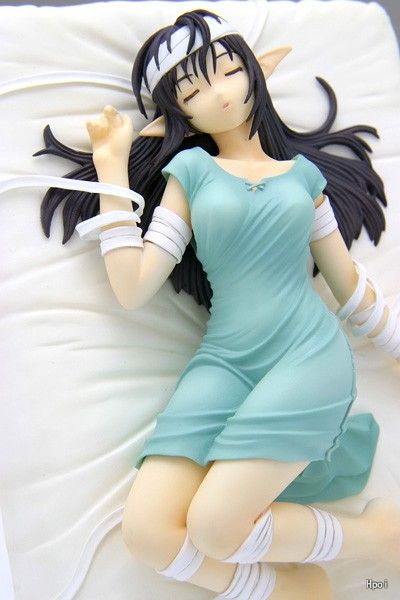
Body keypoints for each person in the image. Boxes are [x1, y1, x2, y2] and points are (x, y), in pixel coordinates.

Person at [16, 7, 400, 599]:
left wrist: (395, 346)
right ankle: (289, 591)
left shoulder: (302, 177)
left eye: (228, 71)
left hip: (307, 359)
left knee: (217, 528)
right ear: (177, 116)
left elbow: (347, 283)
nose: (219, 94)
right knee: (149, 534)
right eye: (192, 91)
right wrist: (113, 169)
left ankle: (377, 538)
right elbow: (133, 287)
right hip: (224, 361)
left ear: (255, 71)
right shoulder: (191, 171)